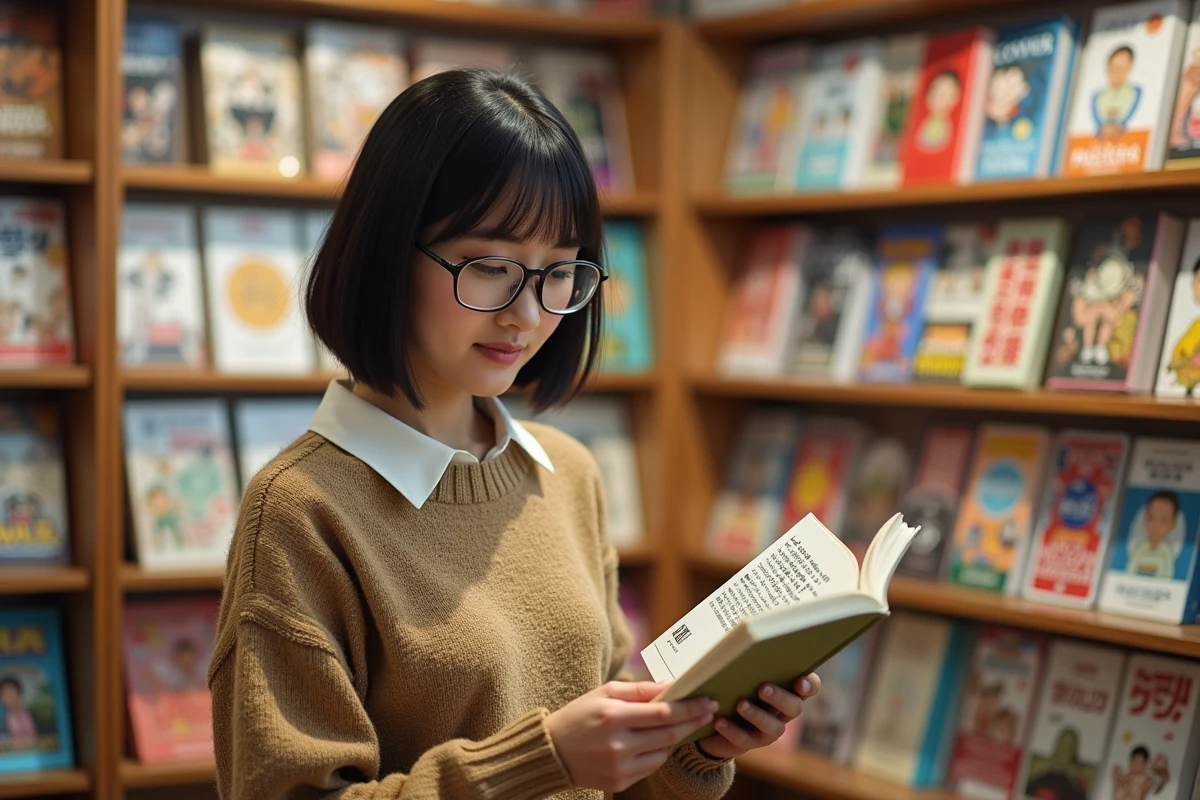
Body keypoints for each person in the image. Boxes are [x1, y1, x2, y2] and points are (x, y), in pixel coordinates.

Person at [208, 67, 819, 799]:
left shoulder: (567, 474)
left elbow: (614, 770)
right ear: (387, 252)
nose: (528, 315)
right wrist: (543, 761)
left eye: (560, 273)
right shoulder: (299, 510)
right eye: (492, 267)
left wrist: (690, 748)